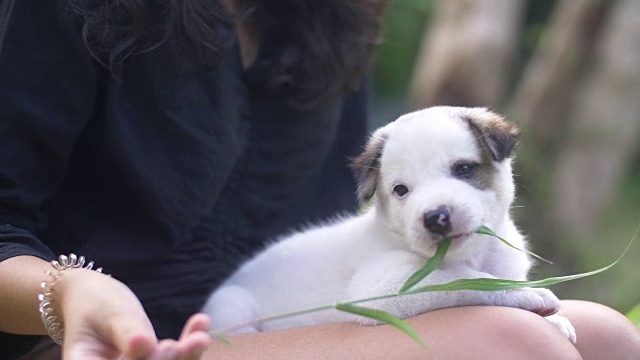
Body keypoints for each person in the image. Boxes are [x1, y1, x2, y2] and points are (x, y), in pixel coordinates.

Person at [0, 0, 639, 359]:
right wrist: (73, 291)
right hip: (118, 341)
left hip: (289, 326)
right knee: (512, 344)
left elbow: (353, 234)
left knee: (610, 338)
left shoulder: (336, 20)